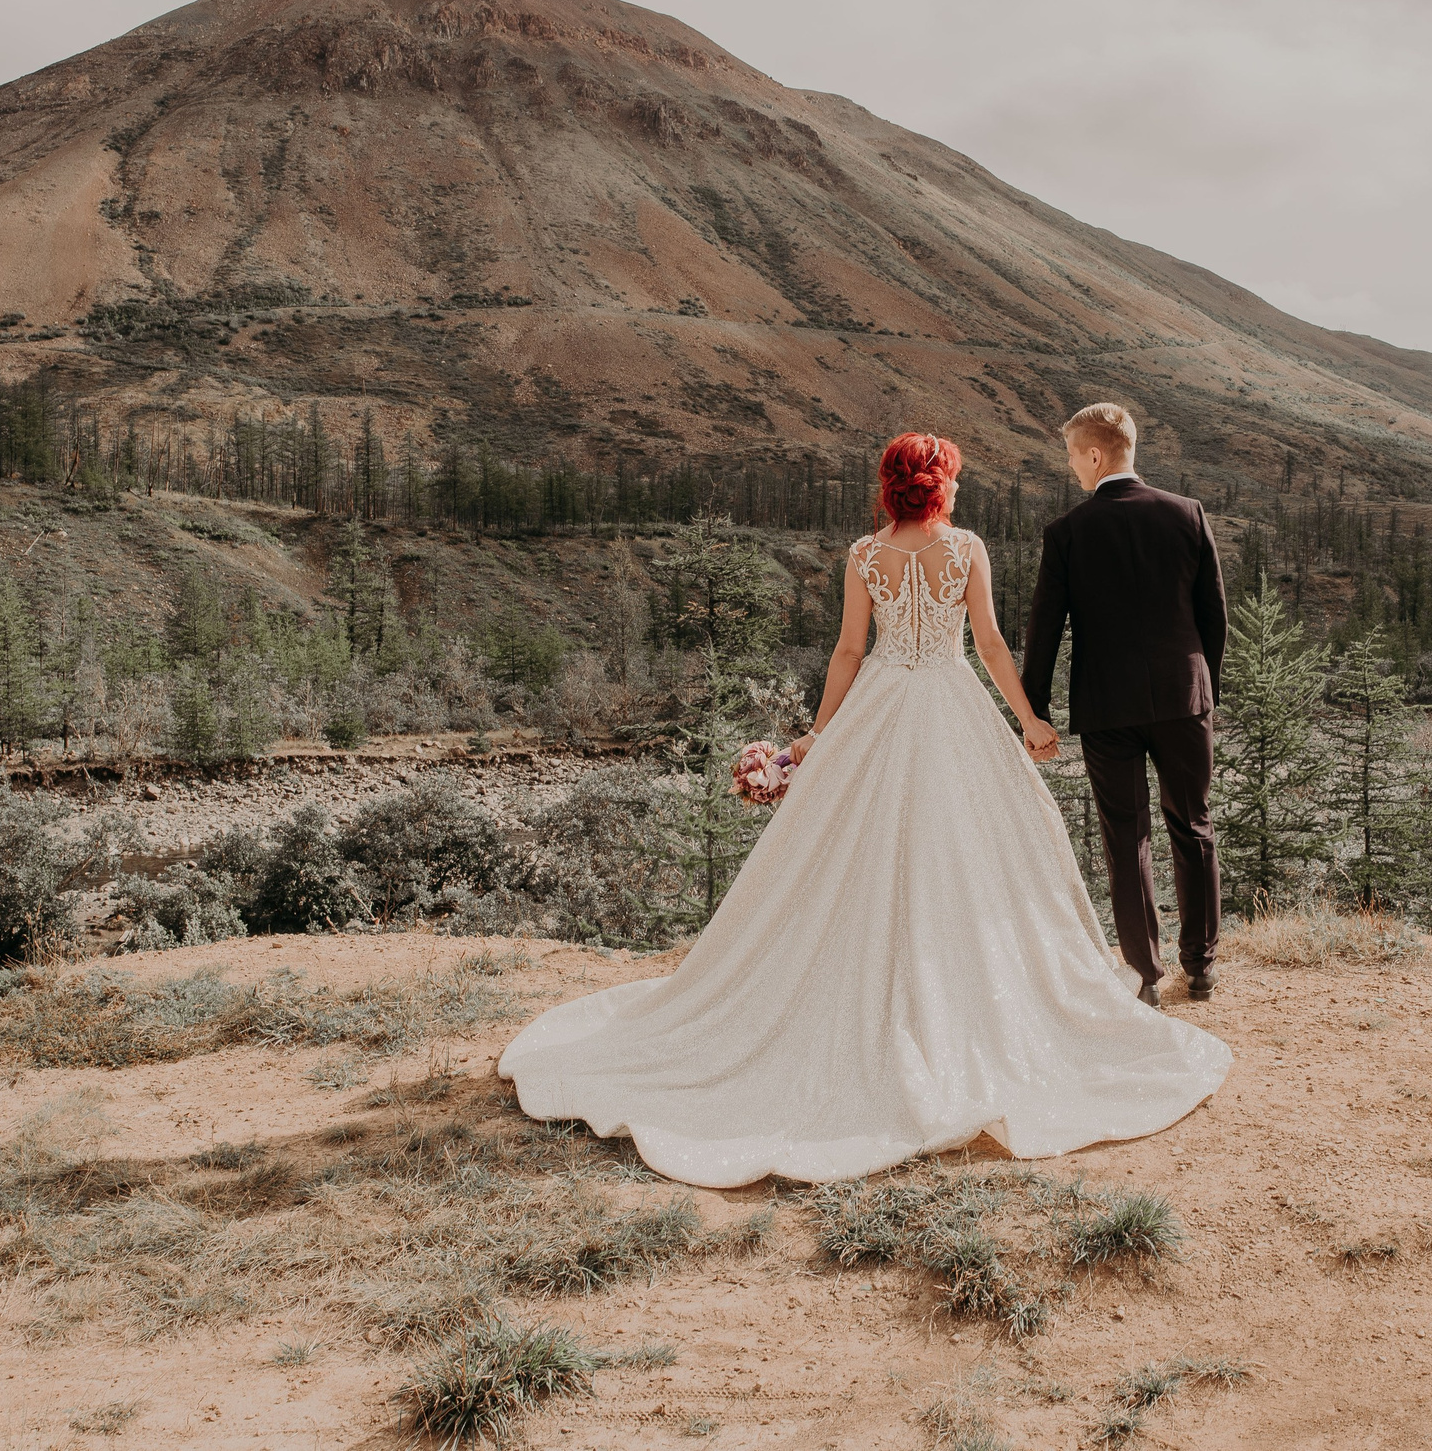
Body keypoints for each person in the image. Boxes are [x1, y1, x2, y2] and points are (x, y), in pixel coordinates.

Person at [496, 431, 1230, 1189]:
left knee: (849, 855)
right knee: (969, 859)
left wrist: (819, 733)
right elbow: (988, 644)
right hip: (951, 707)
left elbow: (849, 651)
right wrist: (1029, 721)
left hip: (880, 702)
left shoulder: (864, 555)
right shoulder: (967, 548)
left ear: (890, 487)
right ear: (941, 485)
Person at [1020, 403, 1228, 1004]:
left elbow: (1045, 628)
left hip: (1106, 706)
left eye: (1071, 457)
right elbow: (1213, 616)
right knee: (1193, 826)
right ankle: (1203, 966)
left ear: (1094, 454)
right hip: (1185, 699)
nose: (1072, 469)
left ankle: (1147, 977)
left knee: (1126, 836)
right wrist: (1203, 692)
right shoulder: (1186, 514)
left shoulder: (1067, 533)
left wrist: (1035, 714)